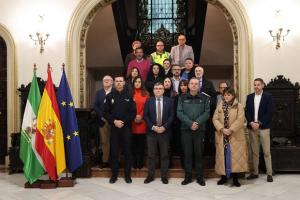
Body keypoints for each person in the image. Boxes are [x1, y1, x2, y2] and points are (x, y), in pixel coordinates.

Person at [177, 77, 210, 186]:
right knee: (187, 154)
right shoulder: (182, 98)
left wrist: (197, 123)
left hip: (200, 130)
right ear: (188, 85)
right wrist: (190, 123)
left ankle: (200, 177)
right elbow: (179, 113)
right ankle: (188, 177)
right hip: (186, 130)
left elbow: (207, 113)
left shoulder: (205, 98)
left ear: (199, 85)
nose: (194, 85)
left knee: (199, 154)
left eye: (196, 83)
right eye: (192, 83)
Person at [213, 87, 248, 187]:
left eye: (228, 94)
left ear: (233, 95)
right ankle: (223, 178)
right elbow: (215, 119)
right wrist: (222, 129)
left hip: (235, 135)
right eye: (225, 95)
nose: (226, 96)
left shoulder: (239, 106)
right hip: (222, 135)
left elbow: (240, 120)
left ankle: (235, 179)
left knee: (234, 157)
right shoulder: (220, 106)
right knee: (223, 156)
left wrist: (231, 129)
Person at [103, 76, 136, 184]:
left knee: (127, 152)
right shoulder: (110, 96)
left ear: (124, 83)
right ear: (114, 83)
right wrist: (114, 121)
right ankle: (114, 175)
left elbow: (133, 112)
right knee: (114, 152)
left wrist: (123, 122)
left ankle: (127, 175)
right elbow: (105, 112)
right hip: (114, 128)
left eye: (120, 81)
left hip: (126, 128)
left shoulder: (129, 96)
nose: (118, 83)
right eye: (116, 81)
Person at [144, 82, 174, 184]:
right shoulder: (148, 101)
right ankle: (150, 176)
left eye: (160, 88)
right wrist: (153, 127)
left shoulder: (169, 101)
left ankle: (164, 176)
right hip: (152, 132)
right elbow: (145, 116)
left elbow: (172, 116)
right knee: (151, 155)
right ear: (153, 90)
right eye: (156, 88)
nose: (158, 90)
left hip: (165, 132)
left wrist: (164, 127)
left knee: (164, 155)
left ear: (163, 90)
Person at [245, 78, 273, 182]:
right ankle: (255, 172)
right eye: (255, 85)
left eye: (258, 85)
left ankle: (269, 174)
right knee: (254, 152)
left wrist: (259, 123)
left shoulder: (268, 97)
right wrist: (251, 122)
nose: (256, 86)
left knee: (266, 152)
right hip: (252, 128)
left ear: (262, 86)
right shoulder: (249, 97)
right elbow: (246, 112)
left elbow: (269, 112)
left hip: (264, 128)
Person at [94, 75, 113, 168]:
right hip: (102, 121)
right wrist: (102, 116)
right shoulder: (99, 93)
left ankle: (114, 161)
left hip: (113, 121)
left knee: (114, 141)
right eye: (104, 80)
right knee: (104, 142)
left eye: (108, 80)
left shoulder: (116, 92)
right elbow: (96, 106)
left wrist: (111, 117)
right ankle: (105, 161)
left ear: (112, 82)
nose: (106, 81)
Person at [131, 76, 149, 169]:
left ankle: (140, 163)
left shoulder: (146, 94)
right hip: (132, 122)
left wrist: (141, 116)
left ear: (142, 83)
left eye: (139, 82)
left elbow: (147, 108)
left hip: (143, 122)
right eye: (136, 81)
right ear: (133, 83)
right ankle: (134, 163)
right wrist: (134, 116)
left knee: (141, 145)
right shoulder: (130, 94)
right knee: (133, 145)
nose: (137, 83)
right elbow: (128, 107)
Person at [171, 80, 188, 168]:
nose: (183, 87)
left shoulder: (191, 96)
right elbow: (175, 111)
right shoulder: (177, 97)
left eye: (185, 85)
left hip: (189, 125)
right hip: (179, 125)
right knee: (181, 145)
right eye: (181, 85)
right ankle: (183, 165)